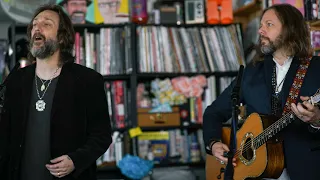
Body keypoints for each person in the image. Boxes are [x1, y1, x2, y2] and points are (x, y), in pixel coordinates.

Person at [203, 3, 320, 180]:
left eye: (269, 24)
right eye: (261, 25)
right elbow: (213, 112)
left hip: (306, 170)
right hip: (255, 172)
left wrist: (317, 120)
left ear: (290, 29)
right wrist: (213, 143)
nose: (260, 31)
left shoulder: (316, 69)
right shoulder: (251, 72)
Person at [0, 4, 112, 180]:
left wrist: (75, 160)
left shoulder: (88, 81)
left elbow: (102, 136)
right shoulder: (15, 80)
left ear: (61, 37)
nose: (37, 27)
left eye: (47, 24)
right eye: (35, 24)